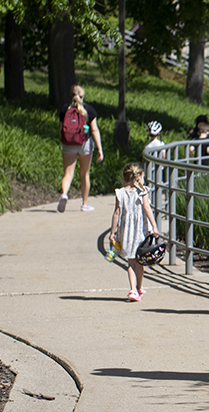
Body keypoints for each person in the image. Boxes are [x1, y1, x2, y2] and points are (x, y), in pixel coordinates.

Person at [110, 163, 159, 302]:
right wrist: (154, 226)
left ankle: (132, 290)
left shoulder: (120, 192)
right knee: (140, 261)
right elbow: (147, 208)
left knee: (131, 262)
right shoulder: (143, 191)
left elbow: (116, 213)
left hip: (126, 231)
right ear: (139, 177)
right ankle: (139, 287)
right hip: (140, 232)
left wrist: (112, 232)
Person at [58, 85, 104, 213]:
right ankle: (84, 204)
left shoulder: (64, 109)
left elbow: (61, 128)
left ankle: (64, 194)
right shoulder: (88, 110)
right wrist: (100, 148)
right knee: (84, 174)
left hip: (68, 143)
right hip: (85, 144)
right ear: (82, 96)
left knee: (68, 173)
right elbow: (94, 130)